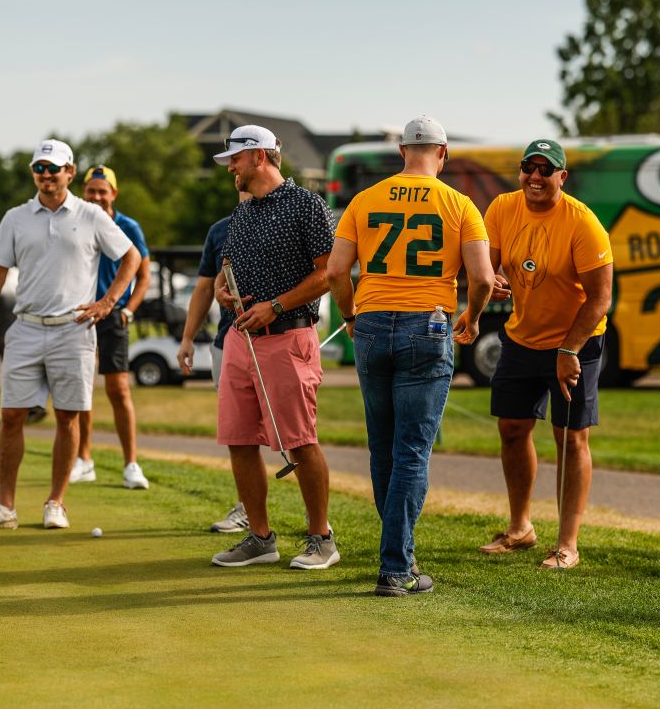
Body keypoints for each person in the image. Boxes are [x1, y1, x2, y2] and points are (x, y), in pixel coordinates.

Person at [327, 116, 493, 596]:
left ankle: (396, 550)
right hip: (430, 322)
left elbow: (338, 270)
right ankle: (396, 565)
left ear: (402, 152)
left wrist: (352, 315)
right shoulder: (460, 204)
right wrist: (474, 316)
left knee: (382, 446)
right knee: (412, 451)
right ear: (443, 153)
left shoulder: (364, 199)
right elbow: (482, 278)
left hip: (374, 321)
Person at [0, 139, 141, 531]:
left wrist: (109, 301)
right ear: (34, 173)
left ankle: (55, 502)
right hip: (25, 328)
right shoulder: (15, 218)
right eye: (40, 169)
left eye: (54, 168)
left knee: (67, 416)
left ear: (70, 172)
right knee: (10, 417)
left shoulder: (91, 214)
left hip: (73, 331)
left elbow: (131, 257)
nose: (46, 175)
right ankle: (6, 505)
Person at [477, 139, 613, 570]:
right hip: (521, 338)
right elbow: (489, 264)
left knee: (571, 439)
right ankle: (521, 529)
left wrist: (569, 349)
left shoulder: (583, 224)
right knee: (512, 430)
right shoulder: (501, 208)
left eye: (545, 169)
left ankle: (567, 544)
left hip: (576, 343)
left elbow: (599, 299)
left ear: (561, 177)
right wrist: (492, 280)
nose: (535, 177)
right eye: (528, 168)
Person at [208, 125, 338, 569]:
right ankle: (260, 538)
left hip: (288, 337)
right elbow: (227, 267)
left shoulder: (307, 206)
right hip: (241, 339)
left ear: (260, 157)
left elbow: (329, 272)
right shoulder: (244, 212)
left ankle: (322, 538)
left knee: (299, 441)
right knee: (239, 440)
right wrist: (224, 290)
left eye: (235, 161)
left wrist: (275, 305)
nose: (231, 170)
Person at [71, 165, 152, 490]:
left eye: (102, 191)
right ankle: (84, 459)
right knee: (80, 391)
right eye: (91, 191)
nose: (96, 196)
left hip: (115, 315)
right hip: (82, 315)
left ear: (113, 194)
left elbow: (143, 275)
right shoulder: (76, 219)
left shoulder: (128, 226)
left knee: (118, 389)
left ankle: (131, 463)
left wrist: (129, 311)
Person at [178, 182, 252, 533]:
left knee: (292, 436)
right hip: (228, 341)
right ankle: (247, 508)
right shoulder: (221, 230)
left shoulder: (289, 218)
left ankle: (317, 521)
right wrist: (188, 338)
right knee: (239, 435)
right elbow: (204, 287)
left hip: (276, 339)